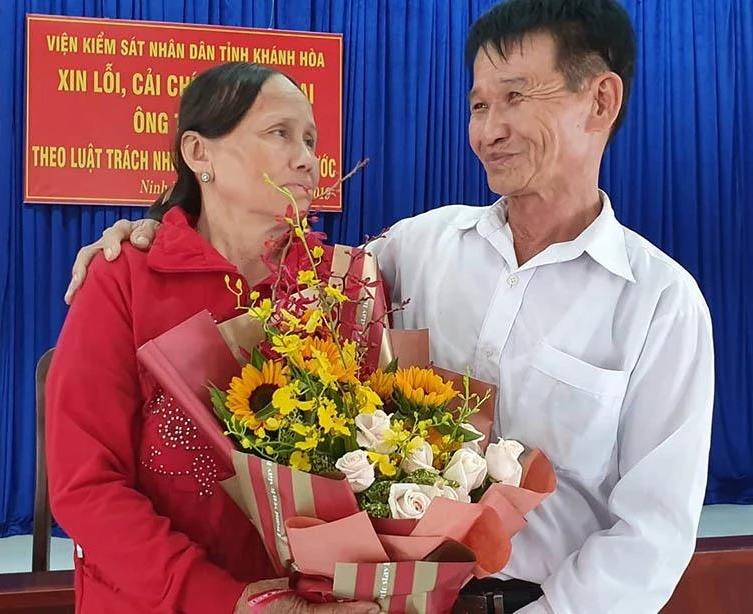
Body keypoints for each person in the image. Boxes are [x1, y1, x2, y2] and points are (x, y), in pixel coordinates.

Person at [68, 1, 715, 613]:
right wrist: (145, 234)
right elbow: (90, 479)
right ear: (197, 151)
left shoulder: (660, 304)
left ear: (600, 101)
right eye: (478, 105)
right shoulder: (416, 249)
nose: (489, 130)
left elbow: (653, 533)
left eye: (515, 97)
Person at [46, 61, 380, 614]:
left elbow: (376, 463)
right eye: (280, 133)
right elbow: (87, 485)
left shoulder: (341, 285)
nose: (307, 159)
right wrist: (229, 602)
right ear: (199, 153)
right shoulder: (125, 279)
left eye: (311, 140)